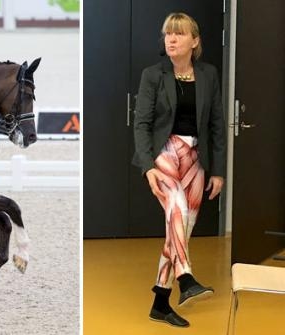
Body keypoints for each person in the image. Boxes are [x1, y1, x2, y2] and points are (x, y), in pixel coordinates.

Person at [132, 12, 226, 328]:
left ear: (194, 41)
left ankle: (160, 302)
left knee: (179, 232)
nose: (171, 39)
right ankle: (185, 278)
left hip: (195, 158)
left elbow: (216, 124)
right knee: (177, 210)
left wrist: (218, 171)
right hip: (164, 155)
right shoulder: (153, 75)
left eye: (179, 34)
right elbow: (142, 124)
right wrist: (148, 168)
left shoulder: (208, 75)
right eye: (167, 34)